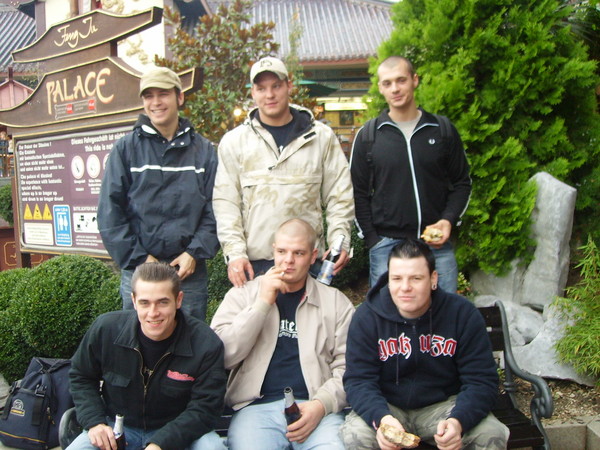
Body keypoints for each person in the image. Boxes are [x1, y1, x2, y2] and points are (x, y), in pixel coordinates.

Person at [340, 239, 508, 450]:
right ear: (388, 280)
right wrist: (381, 419)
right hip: (388, 407)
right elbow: (358, 381)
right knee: (356, 436)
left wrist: (458, 422)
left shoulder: (461, 314)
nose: (405, 288)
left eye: (416, 278)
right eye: (397, 278)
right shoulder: (367, 317)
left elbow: (481, 380)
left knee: (490, 434)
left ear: (433, 279)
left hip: (444, 407)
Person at [210, 219, 355, 449]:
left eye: (298, 253)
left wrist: (321, 405)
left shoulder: (335, 302)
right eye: (282, 251)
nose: (288, 260)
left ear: (313, 255)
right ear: (273, 250)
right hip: (255, 410)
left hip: (316, 409)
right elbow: (220, 356)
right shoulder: (242, 295)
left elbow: (350, 367)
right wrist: (261, 304)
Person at [213, 56, 354, 287]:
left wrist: (339, 241)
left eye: (276, 86)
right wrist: (234, 253)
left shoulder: (320, 137)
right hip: (255, 265)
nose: (269, 95)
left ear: (289, 86)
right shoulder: (234, 142)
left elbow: (340, 194)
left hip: (309, 264)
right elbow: (225, 202)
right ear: (253, 93)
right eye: (261, 88)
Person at [97, 66, 219, 320]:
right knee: (139, 347)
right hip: (140, 273)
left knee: (189, 347)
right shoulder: (126, 149)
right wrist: (140, 258)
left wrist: (194, 253)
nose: (155, 102)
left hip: (188, 274)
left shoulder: (205, 151)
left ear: (179, 97)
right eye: (148, 96)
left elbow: (216, 208)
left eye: (162, 94)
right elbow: (110, 213)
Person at [67, 262, 227, 450]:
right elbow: (81, 376)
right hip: (115, 429)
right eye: (145, 303)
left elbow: (205, 408)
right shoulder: (106, 329)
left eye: (163, 302)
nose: (153, 313)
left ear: (179, 300)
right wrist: (95, 423)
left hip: (181, 432)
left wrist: (161, 443)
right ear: (133, 300)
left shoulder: (205, 343)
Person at [350, 56, 471, 291]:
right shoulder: (369, 136)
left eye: (401, 80)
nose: (395, 88)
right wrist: (373, 240)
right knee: (388, 321)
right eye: (387, 83)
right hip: (386, 246)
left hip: (437, 244)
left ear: (414, 80)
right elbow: (357, 192)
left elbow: (462, 183)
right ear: (380, 88)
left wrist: (447, 220)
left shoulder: (442, 129)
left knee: (445, 316)